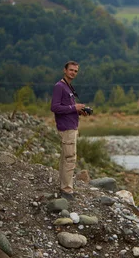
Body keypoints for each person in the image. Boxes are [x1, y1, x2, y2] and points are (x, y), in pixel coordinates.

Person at [51, 60, 88, 200]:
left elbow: (66, 108)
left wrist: (79, 111)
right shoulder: (59, 86)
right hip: (66, 128)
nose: (73, 73)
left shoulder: (68, 87)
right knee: (70, 158)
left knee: (65, 158)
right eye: (71, 70)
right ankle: (66, 190)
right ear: (65, 70)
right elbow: (54, 107)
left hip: (71, 126)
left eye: (76, 71)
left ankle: (64, 186)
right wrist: (74, 108)